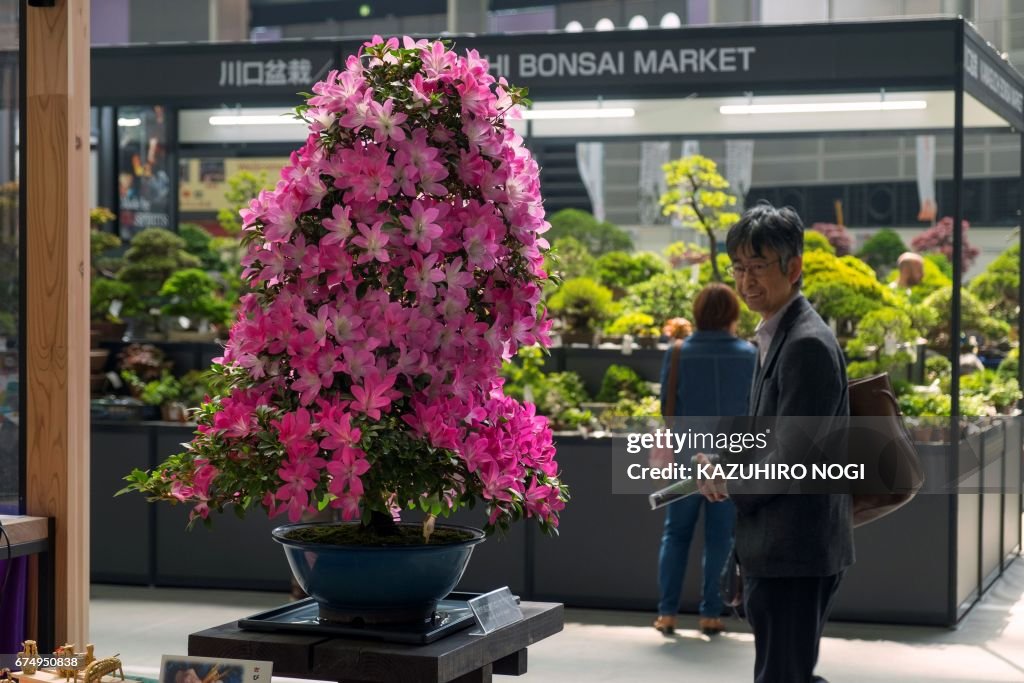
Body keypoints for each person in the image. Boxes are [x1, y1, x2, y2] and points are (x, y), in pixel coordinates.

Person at [697, 202, 853, 683]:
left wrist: (729, 480)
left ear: (795, 267)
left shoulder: (805, 344)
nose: (746, 281)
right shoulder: (778, 335)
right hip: (781, 546)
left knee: (783, 676)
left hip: (795, 550)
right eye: (739, 268)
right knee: (788, 673)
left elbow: (792, 457)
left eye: (759, 266)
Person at [653, 283, 756, 636]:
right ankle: (711, 614)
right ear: (732, 314)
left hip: (686, 455)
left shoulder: (679, 351)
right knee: (720, 537)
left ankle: (667, 613)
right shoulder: (749, 354)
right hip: (730, 459)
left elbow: (668, 405)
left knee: (676, 534)